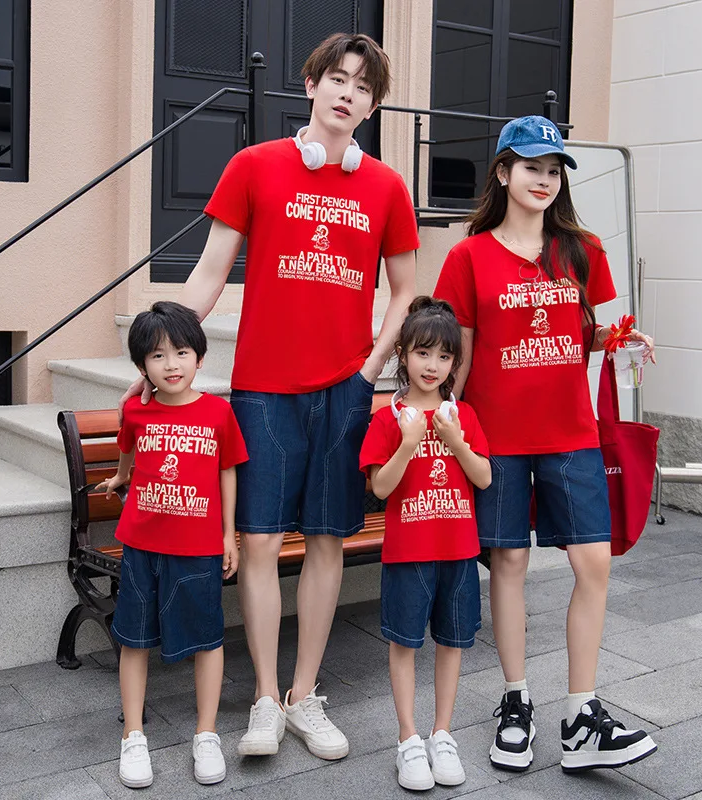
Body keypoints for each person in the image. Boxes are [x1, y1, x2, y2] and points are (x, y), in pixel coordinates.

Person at [119, 33, 418, 760]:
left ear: (373, 104)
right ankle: (259, 698)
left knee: (324, 542)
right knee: (256, 541)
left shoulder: (385, 186)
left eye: (363, 86)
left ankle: (303, 697)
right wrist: (157, 350)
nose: (348, 93)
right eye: (337, 79)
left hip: (342, 393)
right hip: (261, 390)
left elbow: (406, 291)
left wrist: (367, 369)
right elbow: (210, 272)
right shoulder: (254, 167)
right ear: (311, 84)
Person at [434, 116, 658, 774]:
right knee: (508, 568)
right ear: (503, 172)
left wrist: (618, 342)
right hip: (497, 439)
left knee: (594, 564)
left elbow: (579, 334)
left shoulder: (582, 249)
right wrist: (445, 420)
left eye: (553, 169)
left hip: (571, 434)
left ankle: (583, 714)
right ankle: (515, 700)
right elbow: (463, 353)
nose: (543, 179)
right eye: (531, 166)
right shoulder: (466, 257)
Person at [98, 301, 248, 788]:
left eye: (181, 352)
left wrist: (229, 533)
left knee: (208, 638)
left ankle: (206, 733)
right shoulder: (137, 410)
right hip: (142, 545)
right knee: (134, 638)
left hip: (199, 547)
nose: (172, 365)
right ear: (142, 367)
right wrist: (120, 479)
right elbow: (126, 448)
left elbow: (228, 470)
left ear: (199, 357)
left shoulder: (218, 413)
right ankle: (133, 736)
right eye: (158, 357)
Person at [359, 297, 491, 790]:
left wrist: (456, 442)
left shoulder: (463, 416)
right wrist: (410, 443)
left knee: (453, 642)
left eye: (443, 357)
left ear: (455, 363)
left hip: (458, 551)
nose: (431, 366)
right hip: (408, 554)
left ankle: (442, 734)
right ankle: (408, 739)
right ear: (403, 354)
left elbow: (483, 477)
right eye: (422, 353)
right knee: (404, 643)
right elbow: (380, 487)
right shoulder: (387, 418)